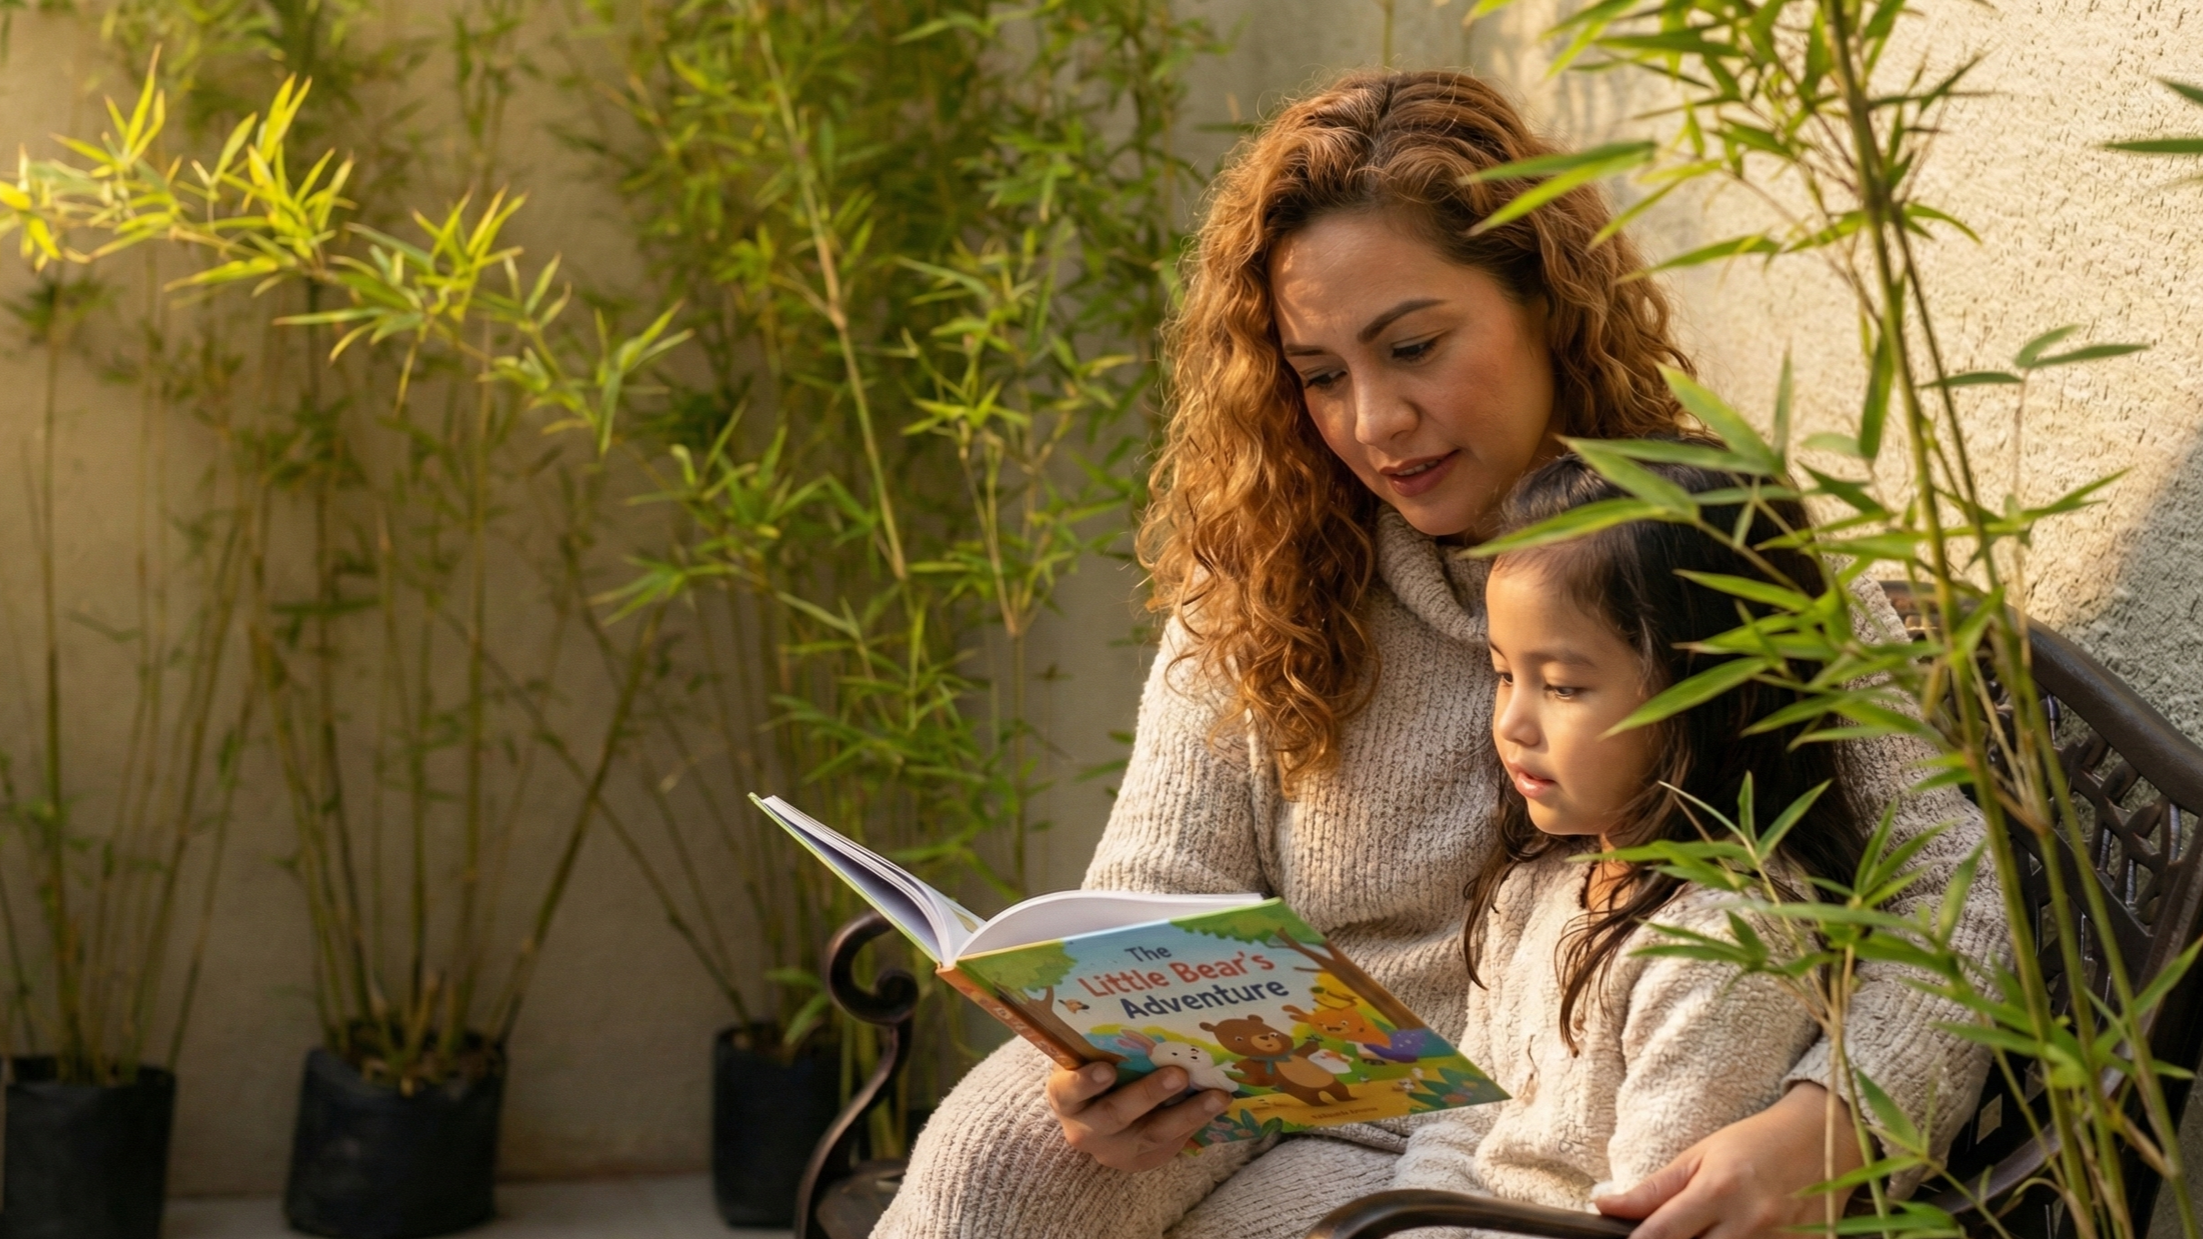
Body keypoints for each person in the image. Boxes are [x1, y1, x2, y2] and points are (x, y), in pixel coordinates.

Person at [874, 68, 2001, 1239]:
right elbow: (1156, 897)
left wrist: (1831, 1125)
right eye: (1318, 376)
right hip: (1255, 1092)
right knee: (992, 1160)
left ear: (1546, 299)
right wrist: (1101, 1067)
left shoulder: (1706, 546)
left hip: (1519, 1155)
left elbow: (1959, 908)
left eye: (1411, 346)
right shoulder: (1266, 562)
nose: (1373, 423)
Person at [1383, 450, 1937, 1222]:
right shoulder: (1541, 881)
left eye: (1563, 686)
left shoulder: (1726, 939)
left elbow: (1652, 1210)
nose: (1510, 722)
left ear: (1710, 695)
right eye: (1504, 672)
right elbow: (1462, 1122)